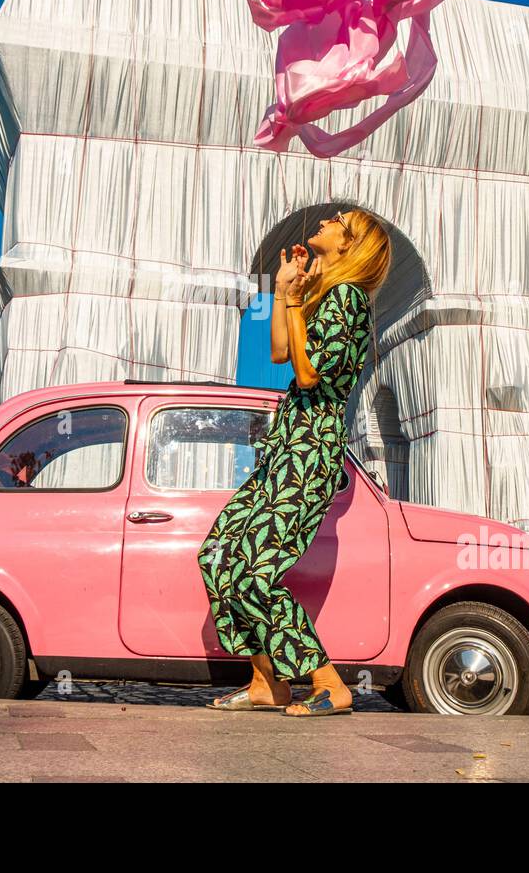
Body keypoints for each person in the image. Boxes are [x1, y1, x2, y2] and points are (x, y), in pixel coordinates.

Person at [197, 206, 391, 716]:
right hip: (285, 446)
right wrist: (287, 293)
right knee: (217, 557)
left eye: (338, 222)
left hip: (310, 451)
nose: (327, 220)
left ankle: (329, 682)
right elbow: (282, 351)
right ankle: (265, 682)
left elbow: (308, 376)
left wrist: (300, 301)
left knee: (254, 571)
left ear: (350, 245)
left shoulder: (347, 298)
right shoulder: (326, 296)